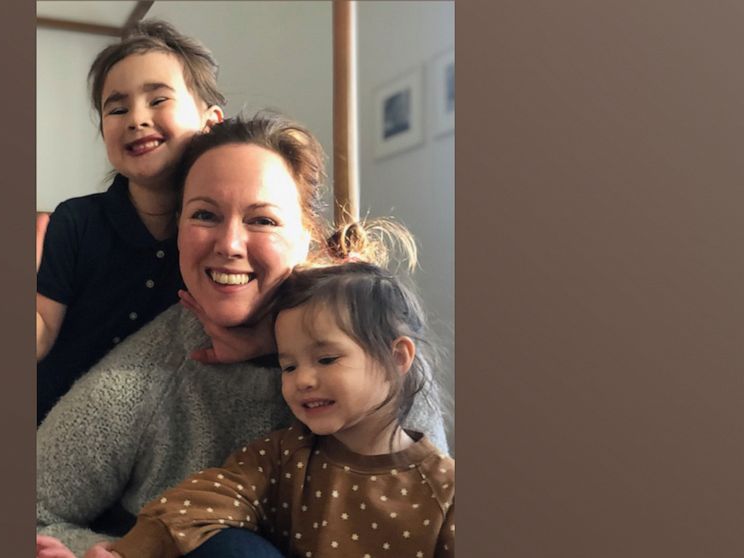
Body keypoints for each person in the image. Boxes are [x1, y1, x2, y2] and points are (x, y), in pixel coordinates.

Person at [36, 114, 449, 558]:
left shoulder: (380, 352)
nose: (230, 244)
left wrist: (278, 350)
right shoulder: (142, 378)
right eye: (205, 215)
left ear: (305, 238)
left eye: (263, 220)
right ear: (178, 234)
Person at [85, 251, 455, 558]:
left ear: (398, 357)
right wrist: (124, 554)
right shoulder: (282, 456)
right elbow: (195, 504)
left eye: (326, 359)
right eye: (288, 366)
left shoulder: (446, 490)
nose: (302, 380)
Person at [36, 20, 224, 425]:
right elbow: (41, 331)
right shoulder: (75, 221)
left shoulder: (222, 235)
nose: (136, 119)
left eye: (157, 100)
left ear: (210, 121)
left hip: (160, 433)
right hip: (53, 423)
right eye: (117, 108)